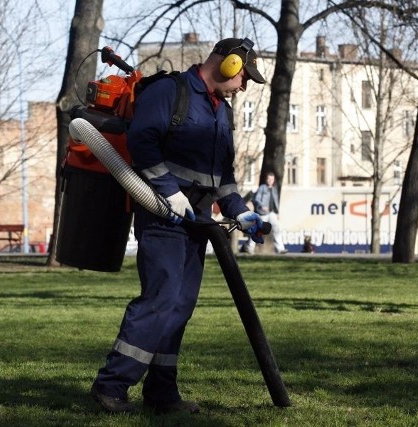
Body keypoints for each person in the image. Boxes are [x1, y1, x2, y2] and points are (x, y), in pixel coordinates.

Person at [90, 37, 267, 414]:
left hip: (197, 221)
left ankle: (162, 395)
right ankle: (111, 386)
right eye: (244, 76)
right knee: (161, 299)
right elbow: (142, 141)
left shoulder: (222, 111)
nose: (244, 85)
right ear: (227, 64)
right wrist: (169, 192)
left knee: (180, 306)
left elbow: (223, 176)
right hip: (162, 214)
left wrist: (240, 211)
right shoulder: (170, 92)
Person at [240, 172, 287, 254]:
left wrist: (277, 212)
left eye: (272, 179)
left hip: (272, 213)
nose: (270, 181)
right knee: (258, 230)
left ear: (274, 180)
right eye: (269, 179)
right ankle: (249, 247)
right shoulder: (262, 188)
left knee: (277, 229)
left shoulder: (275, 189)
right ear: (266, 179)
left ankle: (280, 249)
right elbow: (257, 199)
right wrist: (262, 206)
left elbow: (275, 201)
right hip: (263, 213)